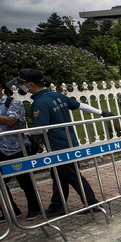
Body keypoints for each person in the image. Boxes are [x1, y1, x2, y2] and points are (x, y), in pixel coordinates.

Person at [9, 69, 114, 217]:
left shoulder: (39, 103)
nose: (20, 86)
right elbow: (79, 105)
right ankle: (57, 205)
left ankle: (91, 203)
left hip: (58, 146)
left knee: (72, 175)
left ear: (31, 84)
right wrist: (101, 112)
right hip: (69, 141)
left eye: (22, 83)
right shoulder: (56, 96)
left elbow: (41, 129)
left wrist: (21, 132)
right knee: (59, 175)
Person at [0, 78, 40, 222]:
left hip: (16, 148)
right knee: (1, 184)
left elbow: (11, 121)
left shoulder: (13, 103)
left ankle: (35, 208)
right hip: (0, 150)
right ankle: (11, 210)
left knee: (24, 181)